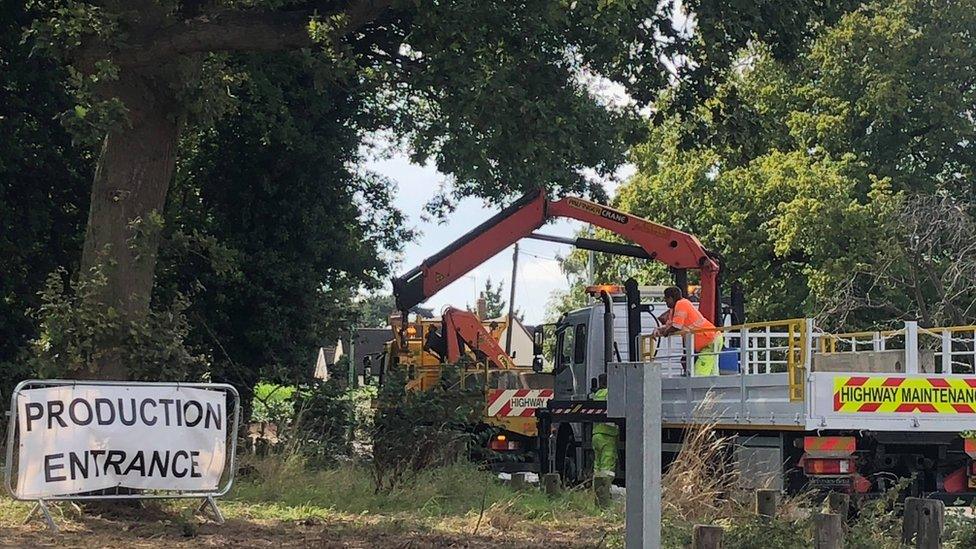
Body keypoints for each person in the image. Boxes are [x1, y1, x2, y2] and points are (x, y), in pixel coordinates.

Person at [653, 286, 723, 376]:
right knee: (711, 372)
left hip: (710, 340)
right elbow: (669, 326)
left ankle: (700, 389)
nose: (665, 301)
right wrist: (658, 329)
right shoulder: (674, 309)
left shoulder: (681, 304)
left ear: (670, 298)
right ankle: (711, 389)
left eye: (666, 298)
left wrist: (666, 332)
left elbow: (676, 326)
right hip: (710, 340)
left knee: (700, 373)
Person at [590, 374, 618, 478]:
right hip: (608, 435)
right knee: (607, 466)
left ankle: (596, 489)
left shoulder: (596, 394)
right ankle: (604, 490)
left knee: (597, 465)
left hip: (596, 435)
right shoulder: (609, 394)